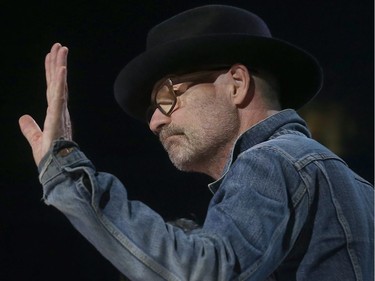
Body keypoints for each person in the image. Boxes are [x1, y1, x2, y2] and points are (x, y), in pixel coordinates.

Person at [19, 5, 373, 281]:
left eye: (167, 96)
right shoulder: (357, 187)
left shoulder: (272, 160)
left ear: (236, 84)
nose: (155, 121)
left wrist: (67, 172)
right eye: (151, 110)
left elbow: (205, 273)